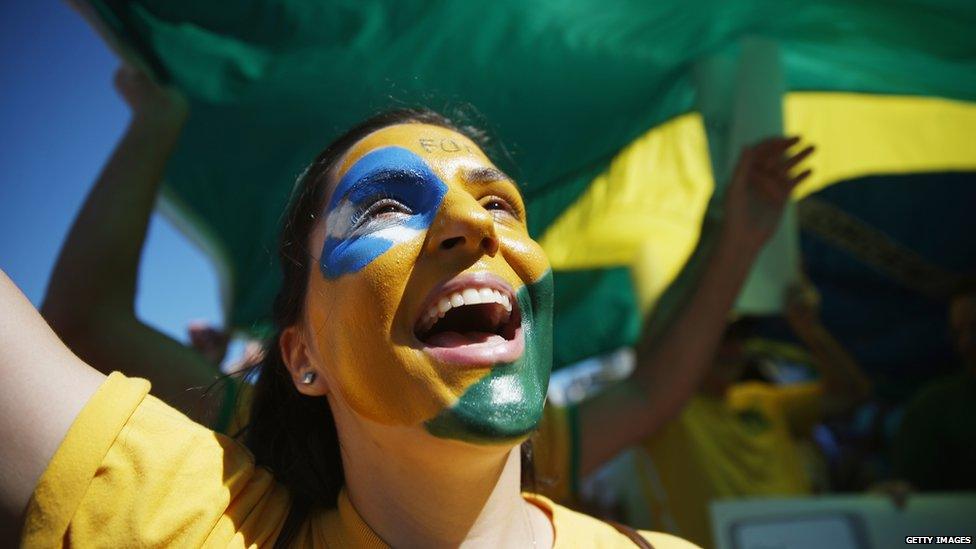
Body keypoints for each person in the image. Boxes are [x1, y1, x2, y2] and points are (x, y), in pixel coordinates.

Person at [2, 100, 724, 546]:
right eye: (382, 207)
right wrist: (158, 116)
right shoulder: (214, 525)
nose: (472, 223)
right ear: (302, 355)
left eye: (501, 204)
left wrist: (735, 231)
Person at [599, 283, 871, 547]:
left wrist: (809, 329)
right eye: (721, 336)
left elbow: (851, 393)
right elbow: (649, 358)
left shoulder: (763, 399)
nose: (735, 349)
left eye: (741, 336)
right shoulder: (666, 410)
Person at [891, 287, 976, 491]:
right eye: (957, 333)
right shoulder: (934, 406)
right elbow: (909, 493)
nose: (966, 344)